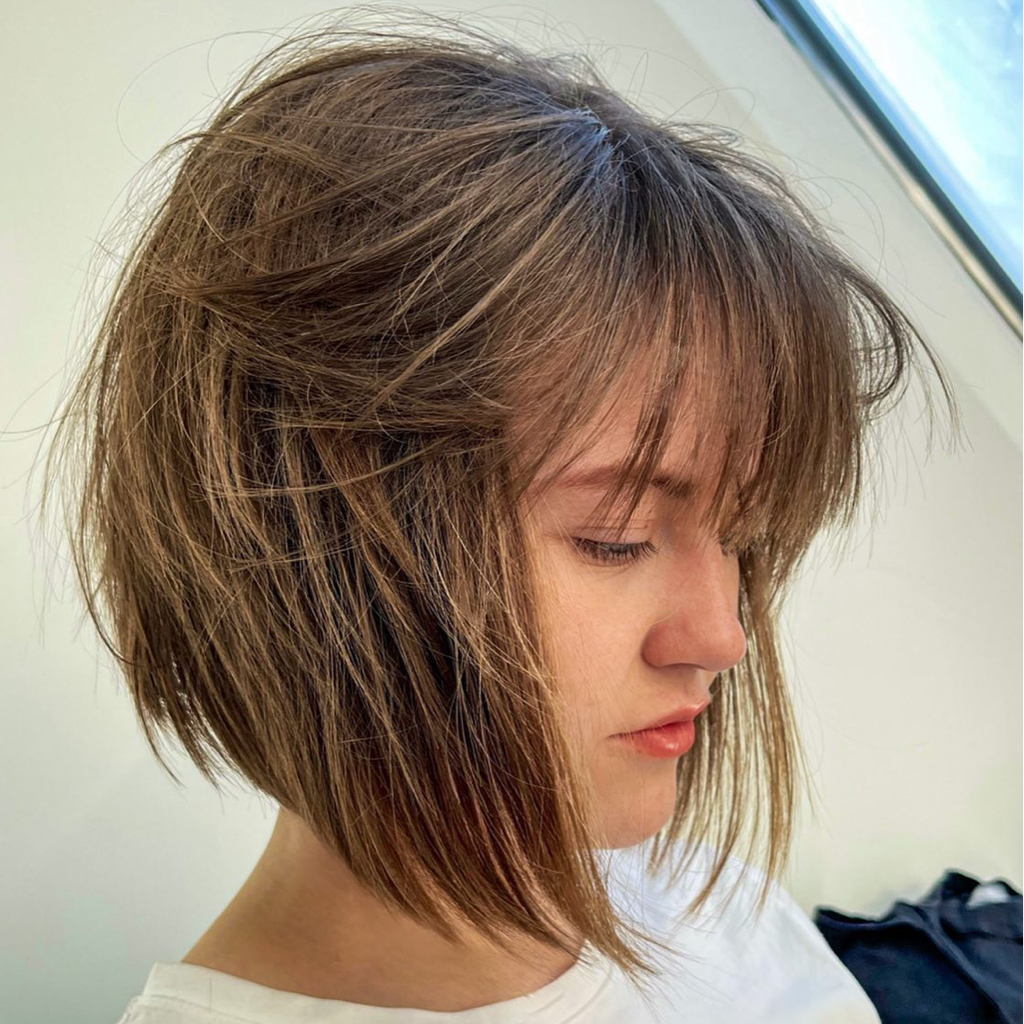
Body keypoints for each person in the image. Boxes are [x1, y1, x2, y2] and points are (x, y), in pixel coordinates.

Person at [44, 11, 962, 1023]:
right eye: (615, 534)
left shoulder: (715, 903)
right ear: (304, 546)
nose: (722, 637)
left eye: (744, 538)